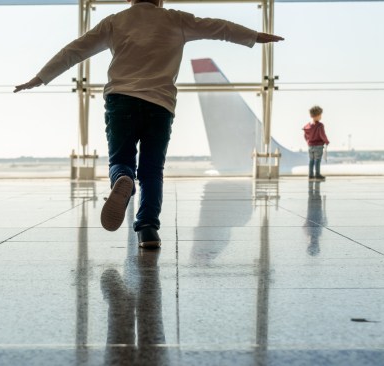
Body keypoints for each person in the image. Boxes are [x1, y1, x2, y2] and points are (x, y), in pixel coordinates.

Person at [14, 0, 284, 249]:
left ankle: (123, 179)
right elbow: (218, 28)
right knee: (152, 171)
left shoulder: (115, 21)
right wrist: (255, 36)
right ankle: (148, 229)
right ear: (160, 0)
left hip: (121, 101)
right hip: (159, 105)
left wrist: (40, 77)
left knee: (121, 160)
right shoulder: (175, 19)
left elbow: (74, 50)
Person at [302, 105, 330, 180]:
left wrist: (308, 142)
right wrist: (327, 141)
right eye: (320, 114)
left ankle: (310, 175)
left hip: (310, 146)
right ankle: (317, 174)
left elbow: (305, 136)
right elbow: (322, 135)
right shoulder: (320, 126)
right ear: (317, 115)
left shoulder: (307, 126)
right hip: (318, 146)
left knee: (311, 160)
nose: (321, 116)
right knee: (317, 160)